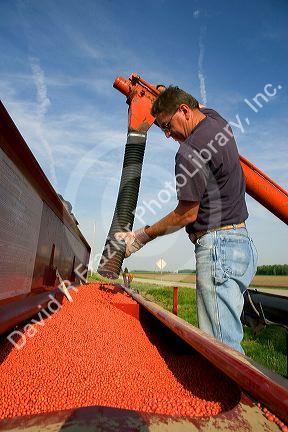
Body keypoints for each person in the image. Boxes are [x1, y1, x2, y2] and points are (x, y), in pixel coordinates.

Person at [115, 86, 258, 354]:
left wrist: (142, 236)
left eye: (167, 126)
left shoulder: (189, 151)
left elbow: (187, 214)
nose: (168, 135)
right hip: (242, 245)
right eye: (162, 129)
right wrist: (163, 91)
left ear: (183, 110)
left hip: (218, 250)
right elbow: (198, 106)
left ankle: (238, 396)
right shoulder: (216, 121)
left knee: (221, 351)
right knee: (227, 337)